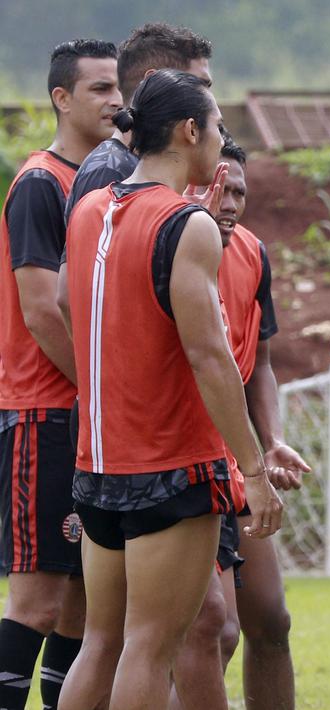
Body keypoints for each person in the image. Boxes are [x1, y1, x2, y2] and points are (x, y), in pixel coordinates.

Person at [57, 68, 282, 710]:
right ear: (189, 131)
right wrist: (254, 471)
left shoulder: (90, 207)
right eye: (217, 127)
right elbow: (211, 357)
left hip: (97, 463)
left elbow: (68, 304)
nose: (221, 140)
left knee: (101, 643)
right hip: (172, 465)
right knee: (150, 647)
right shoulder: (188, 222)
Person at [0, 38, 119, 710]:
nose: (115, 100)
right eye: (100, 88)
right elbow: (42, 311)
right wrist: (105, 392)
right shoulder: (41, 183)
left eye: (118, 87)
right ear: (61, 98)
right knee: (38, 602)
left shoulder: (102, 183)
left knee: (82, 602)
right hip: (43, 413)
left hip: (87, 416)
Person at [170, 136, 308, 710]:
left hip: (237, 461)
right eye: (217, 190)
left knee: (270, 621)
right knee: (212, 630)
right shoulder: (166, 243)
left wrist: (271, 441)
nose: (229, 204)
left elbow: (261, 362)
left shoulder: (252, 253)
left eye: (239, 193)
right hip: (179, 462)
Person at [63, 22, 215, 221]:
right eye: (198, 85)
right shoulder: (110, 170)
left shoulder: (137, 166)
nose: (208, 99)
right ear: (152, 80)